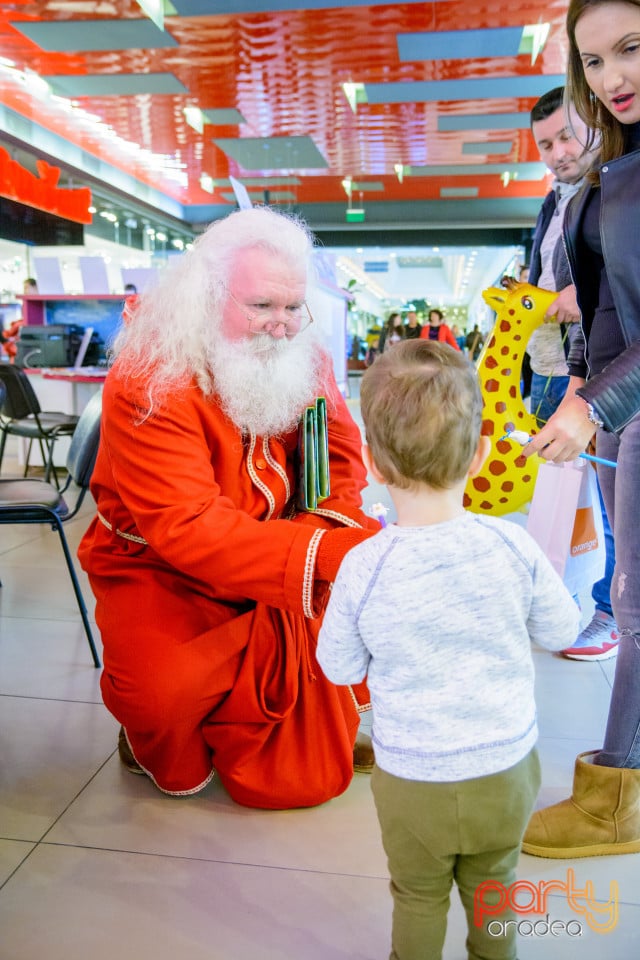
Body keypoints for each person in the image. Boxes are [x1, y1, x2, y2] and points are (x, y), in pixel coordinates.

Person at [78, 206, 380, 810]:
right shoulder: (150, 376)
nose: (283, 325)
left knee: (375, 627)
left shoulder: (305, 356)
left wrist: (329, 527)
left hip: (280, 554)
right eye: (261, 306)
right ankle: (160, 736)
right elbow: (187, 529)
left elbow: (343, 456)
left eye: (294, 307)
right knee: (160, 694)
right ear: (206, 297)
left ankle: (294, 721)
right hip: (165, 570)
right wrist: (327, 553)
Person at [317, 340, 580, 960]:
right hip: (506, 772)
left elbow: (338, 666)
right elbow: (564, 631)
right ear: (482, 453)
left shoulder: (364, 566)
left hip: (413, 780)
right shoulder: (512, 546)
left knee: (417, 896)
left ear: (373, 466)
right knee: (495, 894)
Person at [522, 0, 640, 858]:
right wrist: (582, 385)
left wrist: (591, 402)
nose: (613, 79)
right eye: (594, 62)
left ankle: (615, 799)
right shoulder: (618, 167)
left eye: (631, 50)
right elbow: (609, 309)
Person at [528, 85, 618, 660]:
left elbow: (612, 284)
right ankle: (570, 600)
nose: (557, 151)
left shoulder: (616, 191)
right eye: (544, 143)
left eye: (566, 136)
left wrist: (571, 294)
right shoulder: (557, 200)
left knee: (611, 499)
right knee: (565, 491)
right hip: (555, 364)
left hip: (604, 371)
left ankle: (611, 613)